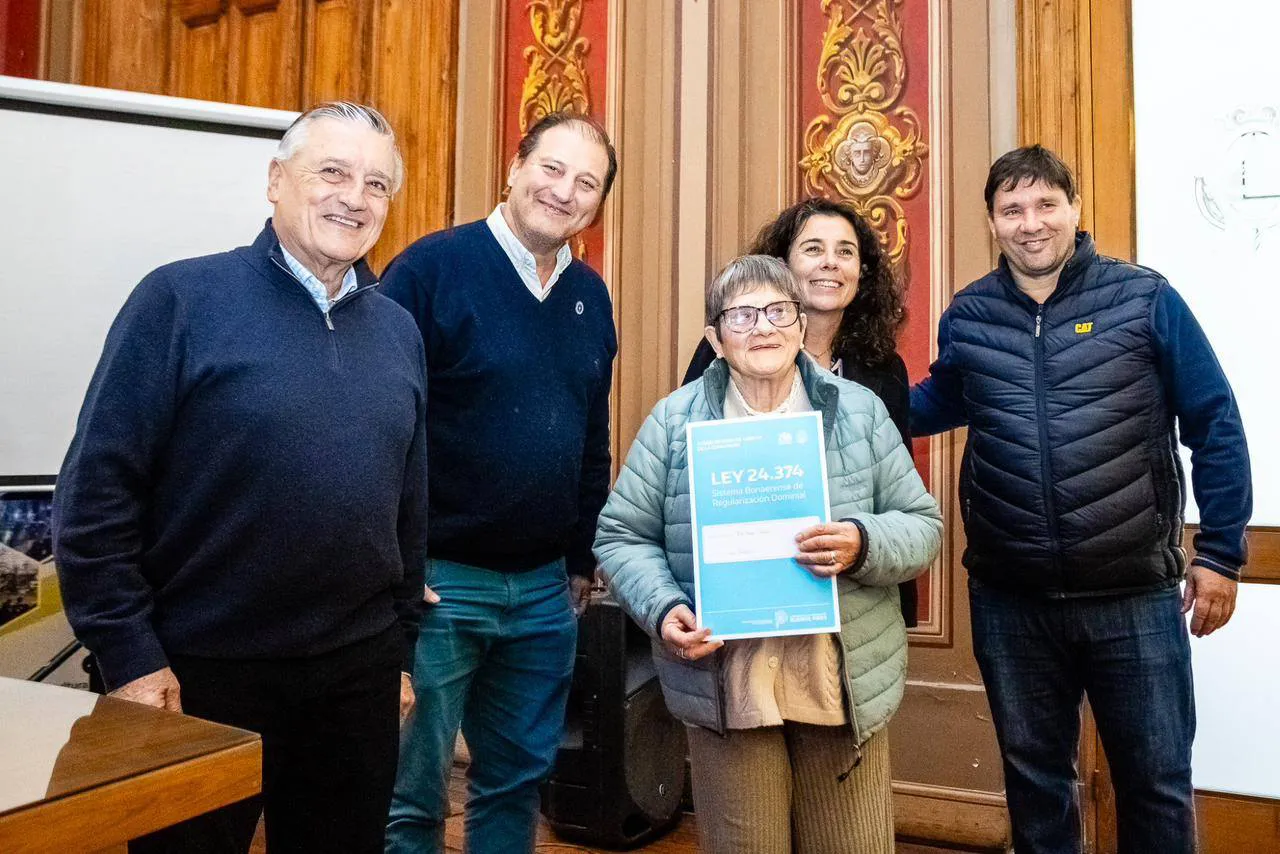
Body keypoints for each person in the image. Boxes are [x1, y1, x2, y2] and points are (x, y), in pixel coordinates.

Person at [52, 102, 428, 854]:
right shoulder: (179, 301)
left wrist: (399, 653)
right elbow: (93, 502)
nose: (355, 197)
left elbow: (408, 508)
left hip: (355, 679)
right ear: (275, 181)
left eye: (377, 184)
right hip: (196, 679)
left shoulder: (398, 330)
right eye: (333, 172)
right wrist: (131, 657)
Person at [911, 144, 1252, 854]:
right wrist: (829, 391)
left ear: (1074, 210)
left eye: (1045, 205)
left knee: (1155, 787)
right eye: (1012, 209)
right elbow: (935, 400)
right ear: (992, 222)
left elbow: (1215, 420)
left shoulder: (1144, 298)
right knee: (1037, 789)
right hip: (1012, 604)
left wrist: (1221, 552)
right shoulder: (969, 315)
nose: (1030, 223)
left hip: (1133, 599)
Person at [596, 255, 942, 854]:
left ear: (802, 324)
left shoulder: (858, 411)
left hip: (838, 679)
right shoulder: (673, 423)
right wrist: (664, 608)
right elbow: (622, 535)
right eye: (742, 315)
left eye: (779, 311)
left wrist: (861, 541)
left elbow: (923, 525)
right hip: (728, 681)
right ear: (715, 338)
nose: (764, 328)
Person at [381, 111, 618, 854]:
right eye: (552, 168)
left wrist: (581, 556)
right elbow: (375, 427)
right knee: (412, 795)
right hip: (438, 585)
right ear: (514, 167)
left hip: (546, 592)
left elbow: (590, 437)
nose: (565, 191)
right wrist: (393, 565)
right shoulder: (430, 270)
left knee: (516, 784)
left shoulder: (592, 296)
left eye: (587, 182)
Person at [683, 197, 920, 628]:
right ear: (782, 265)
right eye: (813, 249)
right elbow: (687, 471)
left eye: (845, 252)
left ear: (861, 272)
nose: (830, 262)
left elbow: (900, 501)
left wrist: (862, 545)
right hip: (741, 595)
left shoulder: (884, 369)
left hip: (851, 606)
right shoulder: (725, 350)